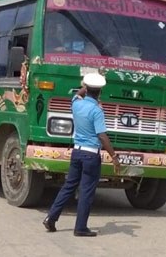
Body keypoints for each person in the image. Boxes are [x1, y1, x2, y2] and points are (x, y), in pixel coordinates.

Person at [42, 73, 121, 237]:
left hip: (77, 152)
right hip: (91, 155)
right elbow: (102, 136)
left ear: (86, 88)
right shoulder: (97, 111)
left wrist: (85, 85)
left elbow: (78, 94)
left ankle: (51, 217)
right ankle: (80, 227)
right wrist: (114, 156)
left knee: (68, 186)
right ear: (100, 92)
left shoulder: (76, 104)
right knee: (86, 191)